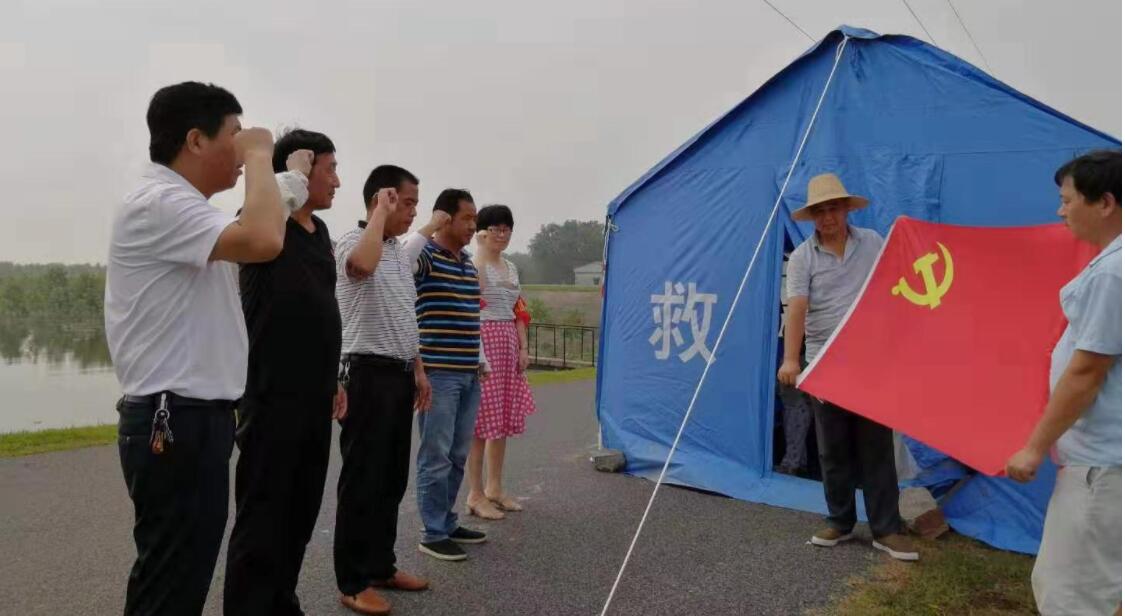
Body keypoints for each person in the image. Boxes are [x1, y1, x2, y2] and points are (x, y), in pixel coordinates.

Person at [105, 82, 294, 615]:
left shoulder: (183, 208)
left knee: (178, 579)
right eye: (234, 134)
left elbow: (260, 226)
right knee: (170, 585)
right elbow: (264, 239)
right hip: (175, 419)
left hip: (191, 418)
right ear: (195, 140)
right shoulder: (160, 203)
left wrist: (272, 175)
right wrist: (262, 153)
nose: (242, 147)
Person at [223, 129, 346, 616]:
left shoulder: (320, 232)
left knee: (300, 510)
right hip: (271, 394)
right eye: (329, 169)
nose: (336, 181)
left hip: (316, 395)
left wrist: (334, 378)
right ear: (301, 170)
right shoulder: (265, 226)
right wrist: (286, 174)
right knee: (263, 515)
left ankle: (282, 603)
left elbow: (323, 308)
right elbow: (256, 221)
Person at [778, 172, 918, 562]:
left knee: (877, 447)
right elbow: (797, 308)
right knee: (833, 448)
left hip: (871, 360)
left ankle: (886, 529)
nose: (828, 217)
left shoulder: (872, 242)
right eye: (820, 211)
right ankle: (840, 521)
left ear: (845, 210)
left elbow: (895, 284)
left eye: (834, 209)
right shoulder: (803, 257)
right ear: (812, 217)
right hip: (825, 360)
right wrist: (791, 359)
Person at [1005, 150, 1121, 616]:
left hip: (1102, 467)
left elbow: (1087, 371)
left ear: (1105, 203)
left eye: (1068, 199)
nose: (1060, 210)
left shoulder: (1113, 272)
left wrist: (1034, 448)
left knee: (1072, 593)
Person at [333, 165, 449, 616]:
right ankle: (352, 581)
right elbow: (360, 267)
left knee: (390, 479)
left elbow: (405, 313)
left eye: (417, 202)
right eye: (408, 202)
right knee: (362, 480)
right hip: (366, 374)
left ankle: (380, 565)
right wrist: (379, 215)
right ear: (383, 198)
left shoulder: (400, 253)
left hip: (400, 372)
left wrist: (418, 369)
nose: (414, 211)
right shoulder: (353, 241)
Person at [415, 188, 490, 562]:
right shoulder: (425, 256)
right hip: (439, 373)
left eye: (475, 219)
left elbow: (472, 318)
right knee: (436, 454)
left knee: (458, 454)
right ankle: (432, 532)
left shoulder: (467, 264)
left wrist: (481, 361)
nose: (473, 226)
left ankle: (446, 521)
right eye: (467, 218)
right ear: (444, 218)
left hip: (468, 373)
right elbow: (400, 267)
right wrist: (428, 228)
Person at [464, 204, 538, 520]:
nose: (501, 234)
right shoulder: (474, 263)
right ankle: (475, 493)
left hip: (508, 341)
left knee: (501, 419)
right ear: (481, 232)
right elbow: (476, 295)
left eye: (506, 229)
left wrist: (523, 347)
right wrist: (481, 250)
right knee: (480, 421)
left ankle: (494, 487)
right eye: (494, 228)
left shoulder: (511, 267)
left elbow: (518, 310)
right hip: (483, 342)